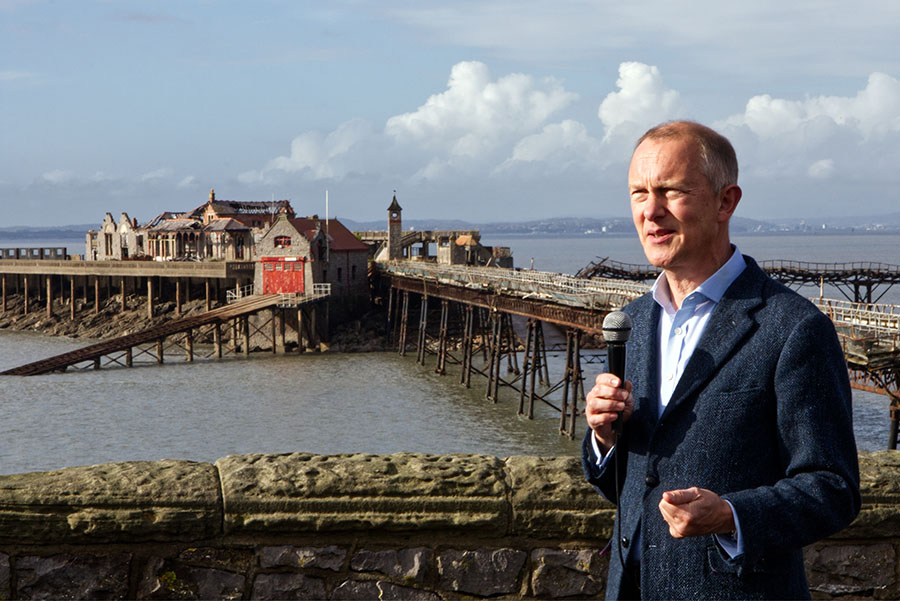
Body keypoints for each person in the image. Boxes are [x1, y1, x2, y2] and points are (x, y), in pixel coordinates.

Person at [582, 121, 860, 600]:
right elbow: (634, 488)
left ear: (726, 201)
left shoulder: (793, 327)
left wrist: (732, 514)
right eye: (638, 193)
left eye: (672, 191)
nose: (651, 211)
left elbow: (833, 488)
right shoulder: (631, 322)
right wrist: (604, 439)